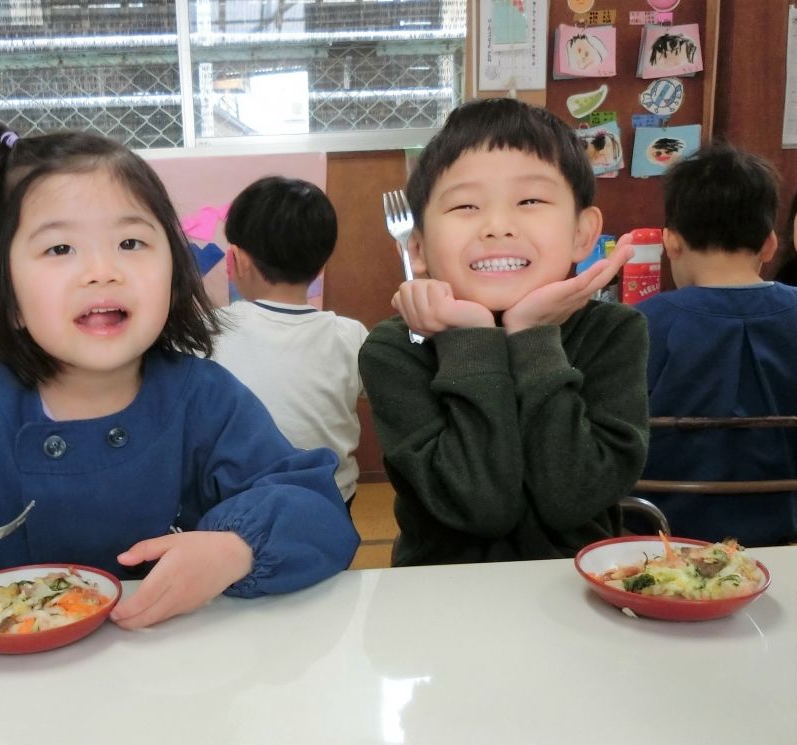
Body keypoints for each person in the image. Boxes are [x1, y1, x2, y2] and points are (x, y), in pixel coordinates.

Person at [0, 123, 359, 626]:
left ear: (174, 271)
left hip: (176, 681)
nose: (102, 271)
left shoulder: (205, 398)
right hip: (6, 693)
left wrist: (239, 547)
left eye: (131, 242)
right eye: (60, 247)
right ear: (9, 295)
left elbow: (318, 513)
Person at [359, 97, 647, 566]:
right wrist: (470, 339)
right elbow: (482, 507)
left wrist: (531, 336)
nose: (497, 227)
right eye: (466, 205)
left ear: (582, 232)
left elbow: (573, 497)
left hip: (580, 599)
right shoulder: (398, 346)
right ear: (419, 247)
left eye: (530, 200)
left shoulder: (614, 332)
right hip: (439, 601)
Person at [635, 143, 797, 546]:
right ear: (769, 244)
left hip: (657, 534)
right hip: (786, 535)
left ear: (670, 242)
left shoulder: (638, 324)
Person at [212, 177, 367, 508]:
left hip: (235, 504)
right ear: (322, 264)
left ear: (234, 259)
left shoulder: (206, 330)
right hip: (330, 499)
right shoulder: (351, 336)